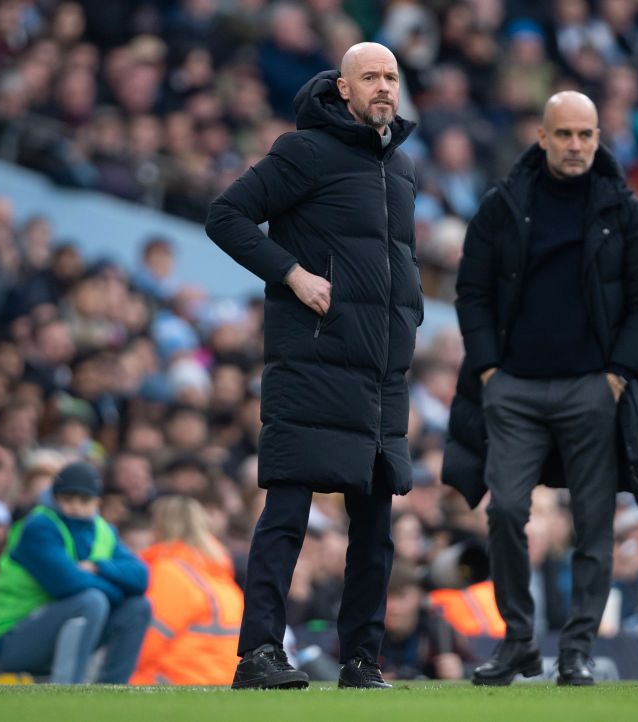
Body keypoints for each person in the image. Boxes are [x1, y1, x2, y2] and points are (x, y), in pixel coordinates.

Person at [205, 42, 422, 690]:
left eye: (391, 77)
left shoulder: (402, 169)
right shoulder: (303, 151)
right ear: (344, 89)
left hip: (380, 377)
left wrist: (408, 319)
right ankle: (259, 654)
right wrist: (291, 273)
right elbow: (226, 215)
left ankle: (362, 658)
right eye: (371, 78)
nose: (384, 87)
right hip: (314, 361)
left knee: (376, 529)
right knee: (287, 513)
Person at [443, 91, 638, 686]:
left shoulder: (626, 209)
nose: (575, 146)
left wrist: (617, 376)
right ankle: (519, 640)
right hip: (513, 387)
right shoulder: (504, 203)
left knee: (594, 525)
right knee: (506, 514)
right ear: (541, 137)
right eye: (564, 134)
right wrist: (490, 370)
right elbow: (472, 290)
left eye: (586, 135)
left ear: (598, 138)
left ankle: (577, 650)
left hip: (592, 390)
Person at [0, 462, 151, 683]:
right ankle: (69, 691)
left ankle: (111, 694)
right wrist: (118, 588)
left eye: (84, 500)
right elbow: (68, 583)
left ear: (97, 502)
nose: (76, 507)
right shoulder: (39, 526)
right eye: (68, 498)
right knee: (92, 601)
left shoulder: (103, 530)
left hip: (54, 629)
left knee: (138, 606)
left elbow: (141, 578)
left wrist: (99, 567)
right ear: (54, 498)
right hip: (11, 638)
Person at [131, 496, 244, 685]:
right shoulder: (219, 576)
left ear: (160, 526)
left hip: (175, 679)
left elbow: (147, 643)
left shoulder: (170, 573)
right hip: (223, 679)